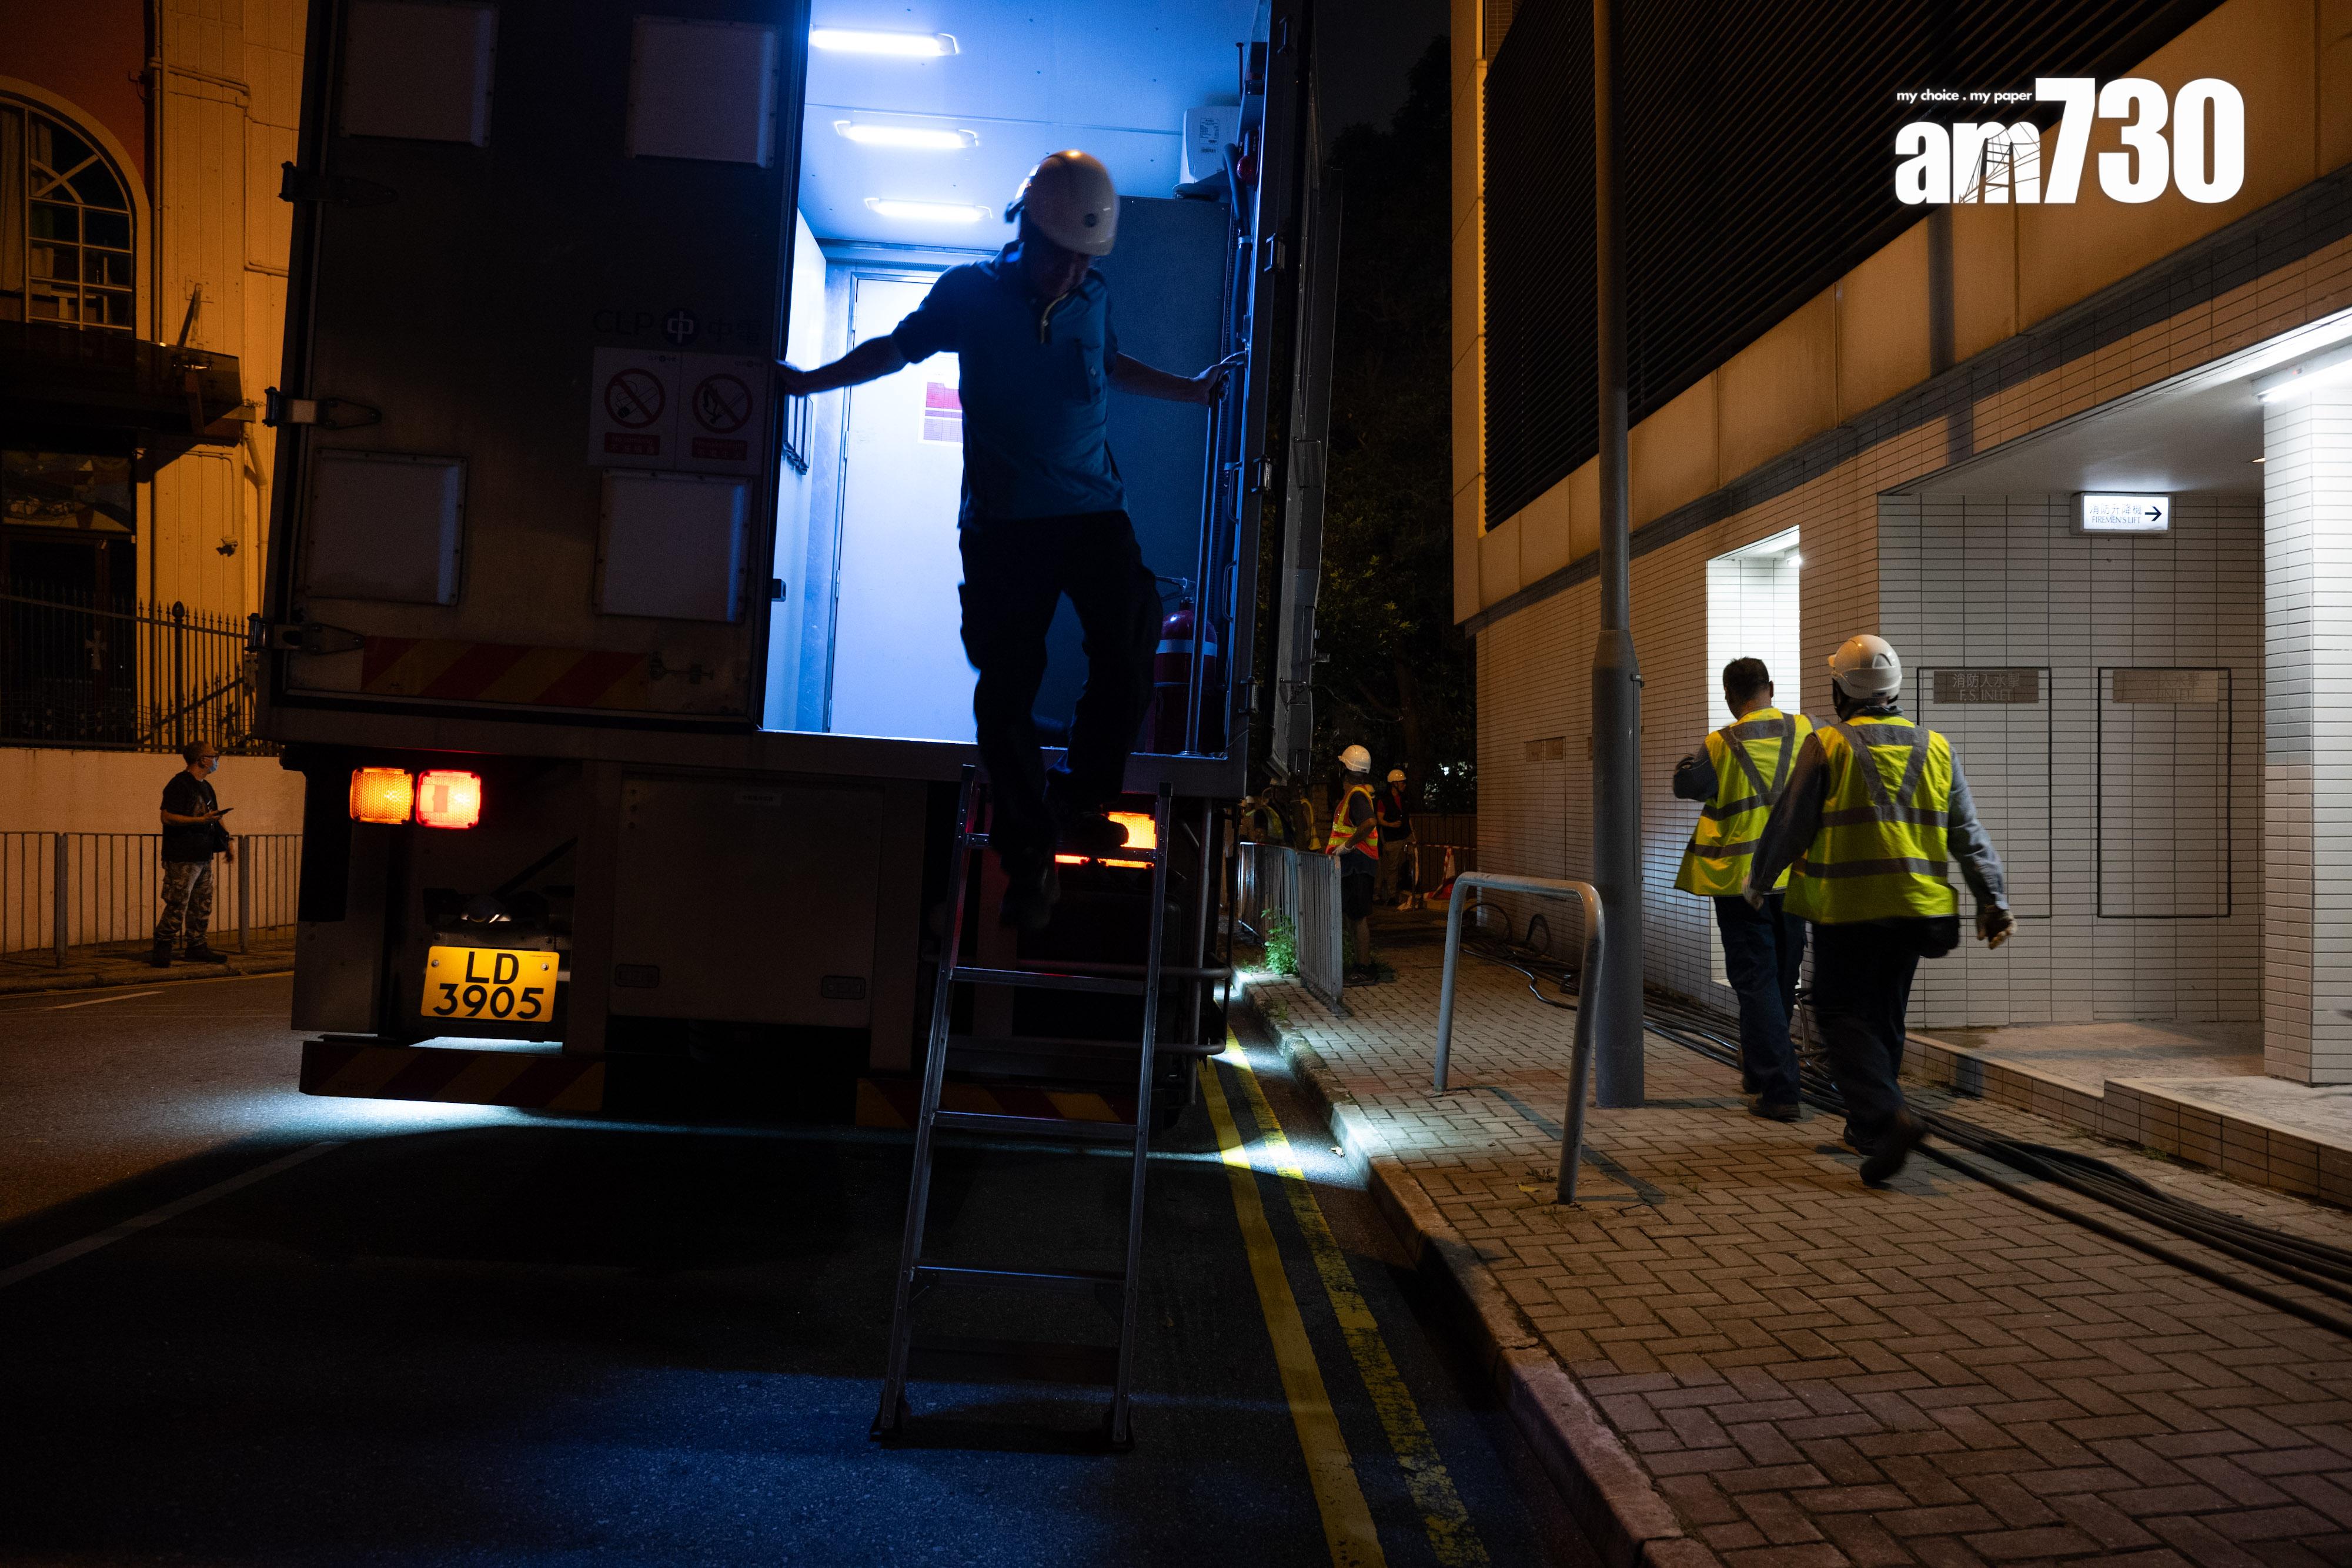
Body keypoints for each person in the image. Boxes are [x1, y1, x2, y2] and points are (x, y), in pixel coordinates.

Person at [775, 151, 1237, 930]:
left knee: (1130, 643)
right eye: (1058, 255)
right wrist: (808, 381)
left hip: (1093, 510)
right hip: (1006, 525)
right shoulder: (969, 295)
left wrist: (1189, 390)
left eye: (1083, 260)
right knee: (1008, 690)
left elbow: (1110, 362)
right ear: (1022, 229)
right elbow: (896, 348)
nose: (1067, 274)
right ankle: (1028, 858)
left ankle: (1077, 800)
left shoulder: (1094, 293)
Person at [1747, 635, 2014, 1185]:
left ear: (1841, 688)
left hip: (1849, 909)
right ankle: (1872, 1130)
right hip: (1918, 909)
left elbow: (1791, 821)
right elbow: (1967, 831)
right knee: (1885, 1014)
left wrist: (1759, 880)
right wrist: (1993, 899)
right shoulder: (1937, 747)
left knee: (1839, 1013)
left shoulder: (1828, 745)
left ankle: (1887, 1117)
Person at [1672, 658, 1812, 1122]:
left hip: (1741, 883)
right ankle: (1759, 1068)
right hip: (1796, 879)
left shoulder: (1721, 743)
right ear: (1770, 688)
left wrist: (1684, 764)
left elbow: (1687, 784)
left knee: (1755, 982)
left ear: (1730, 697)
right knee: (1778, 980)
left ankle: (1779, 1088)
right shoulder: (1808, 731)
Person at [155, 739, 233, 966]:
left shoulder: (206, 787)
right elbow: (167, 817)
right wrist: (198, 821)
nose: (216, 759)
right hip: (182, 856)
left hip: (203, 855)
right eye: (214, 755)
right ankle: (163, 944)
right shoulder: (179, 784)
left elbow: (215, 815)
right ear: (202, 760)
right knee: (178, 902)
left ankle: (197, 946)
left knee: (202, 903)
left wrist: (227, 841)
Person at [1325, 745, 1380, 979]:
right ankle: (1361, 965)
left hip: (1357, 864)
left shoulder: (1356, 796)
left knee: (1358, 918)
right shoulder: (1355, 795)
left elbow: (1369, 823)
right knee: (1353, 916)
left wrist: (1347, 846)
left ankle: (1364, 968)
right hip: (1355, 865)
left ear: (1343, 770)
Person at [1374, 768, 1418, 910]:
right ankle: (1392, 895)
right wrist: (1391, 825)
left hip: (1406, 835)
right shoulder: (1384, 801)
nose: (1404, 785)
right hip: (1392, 838)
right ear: (1394, 784)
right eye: (1402, 783)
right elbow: (1379, 819)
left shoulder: (1405, 799)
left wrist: (1413, 835)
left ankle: (1412, 889)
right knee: (1392, 867)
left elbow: (1408, 817)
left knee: (1413, 860)